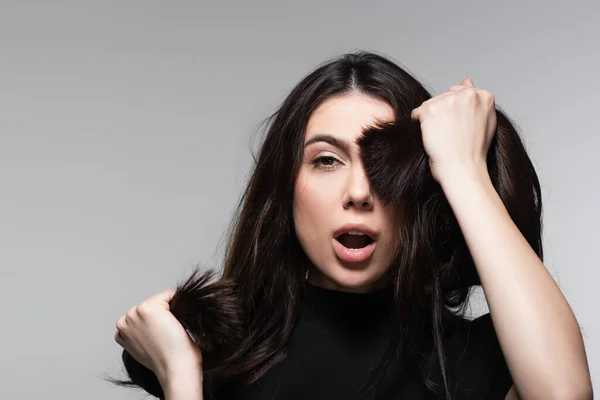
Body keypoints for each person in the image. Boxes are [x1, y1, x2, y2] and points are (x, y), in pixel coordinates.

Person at [109, 51, 593, 400]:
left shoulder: (478, 359)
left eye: (383, 166)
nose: (358, 192)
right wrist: (180, 378)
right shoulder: (208, 351)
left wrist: (461, 167)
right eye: (325, 160)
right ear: (285, 187)